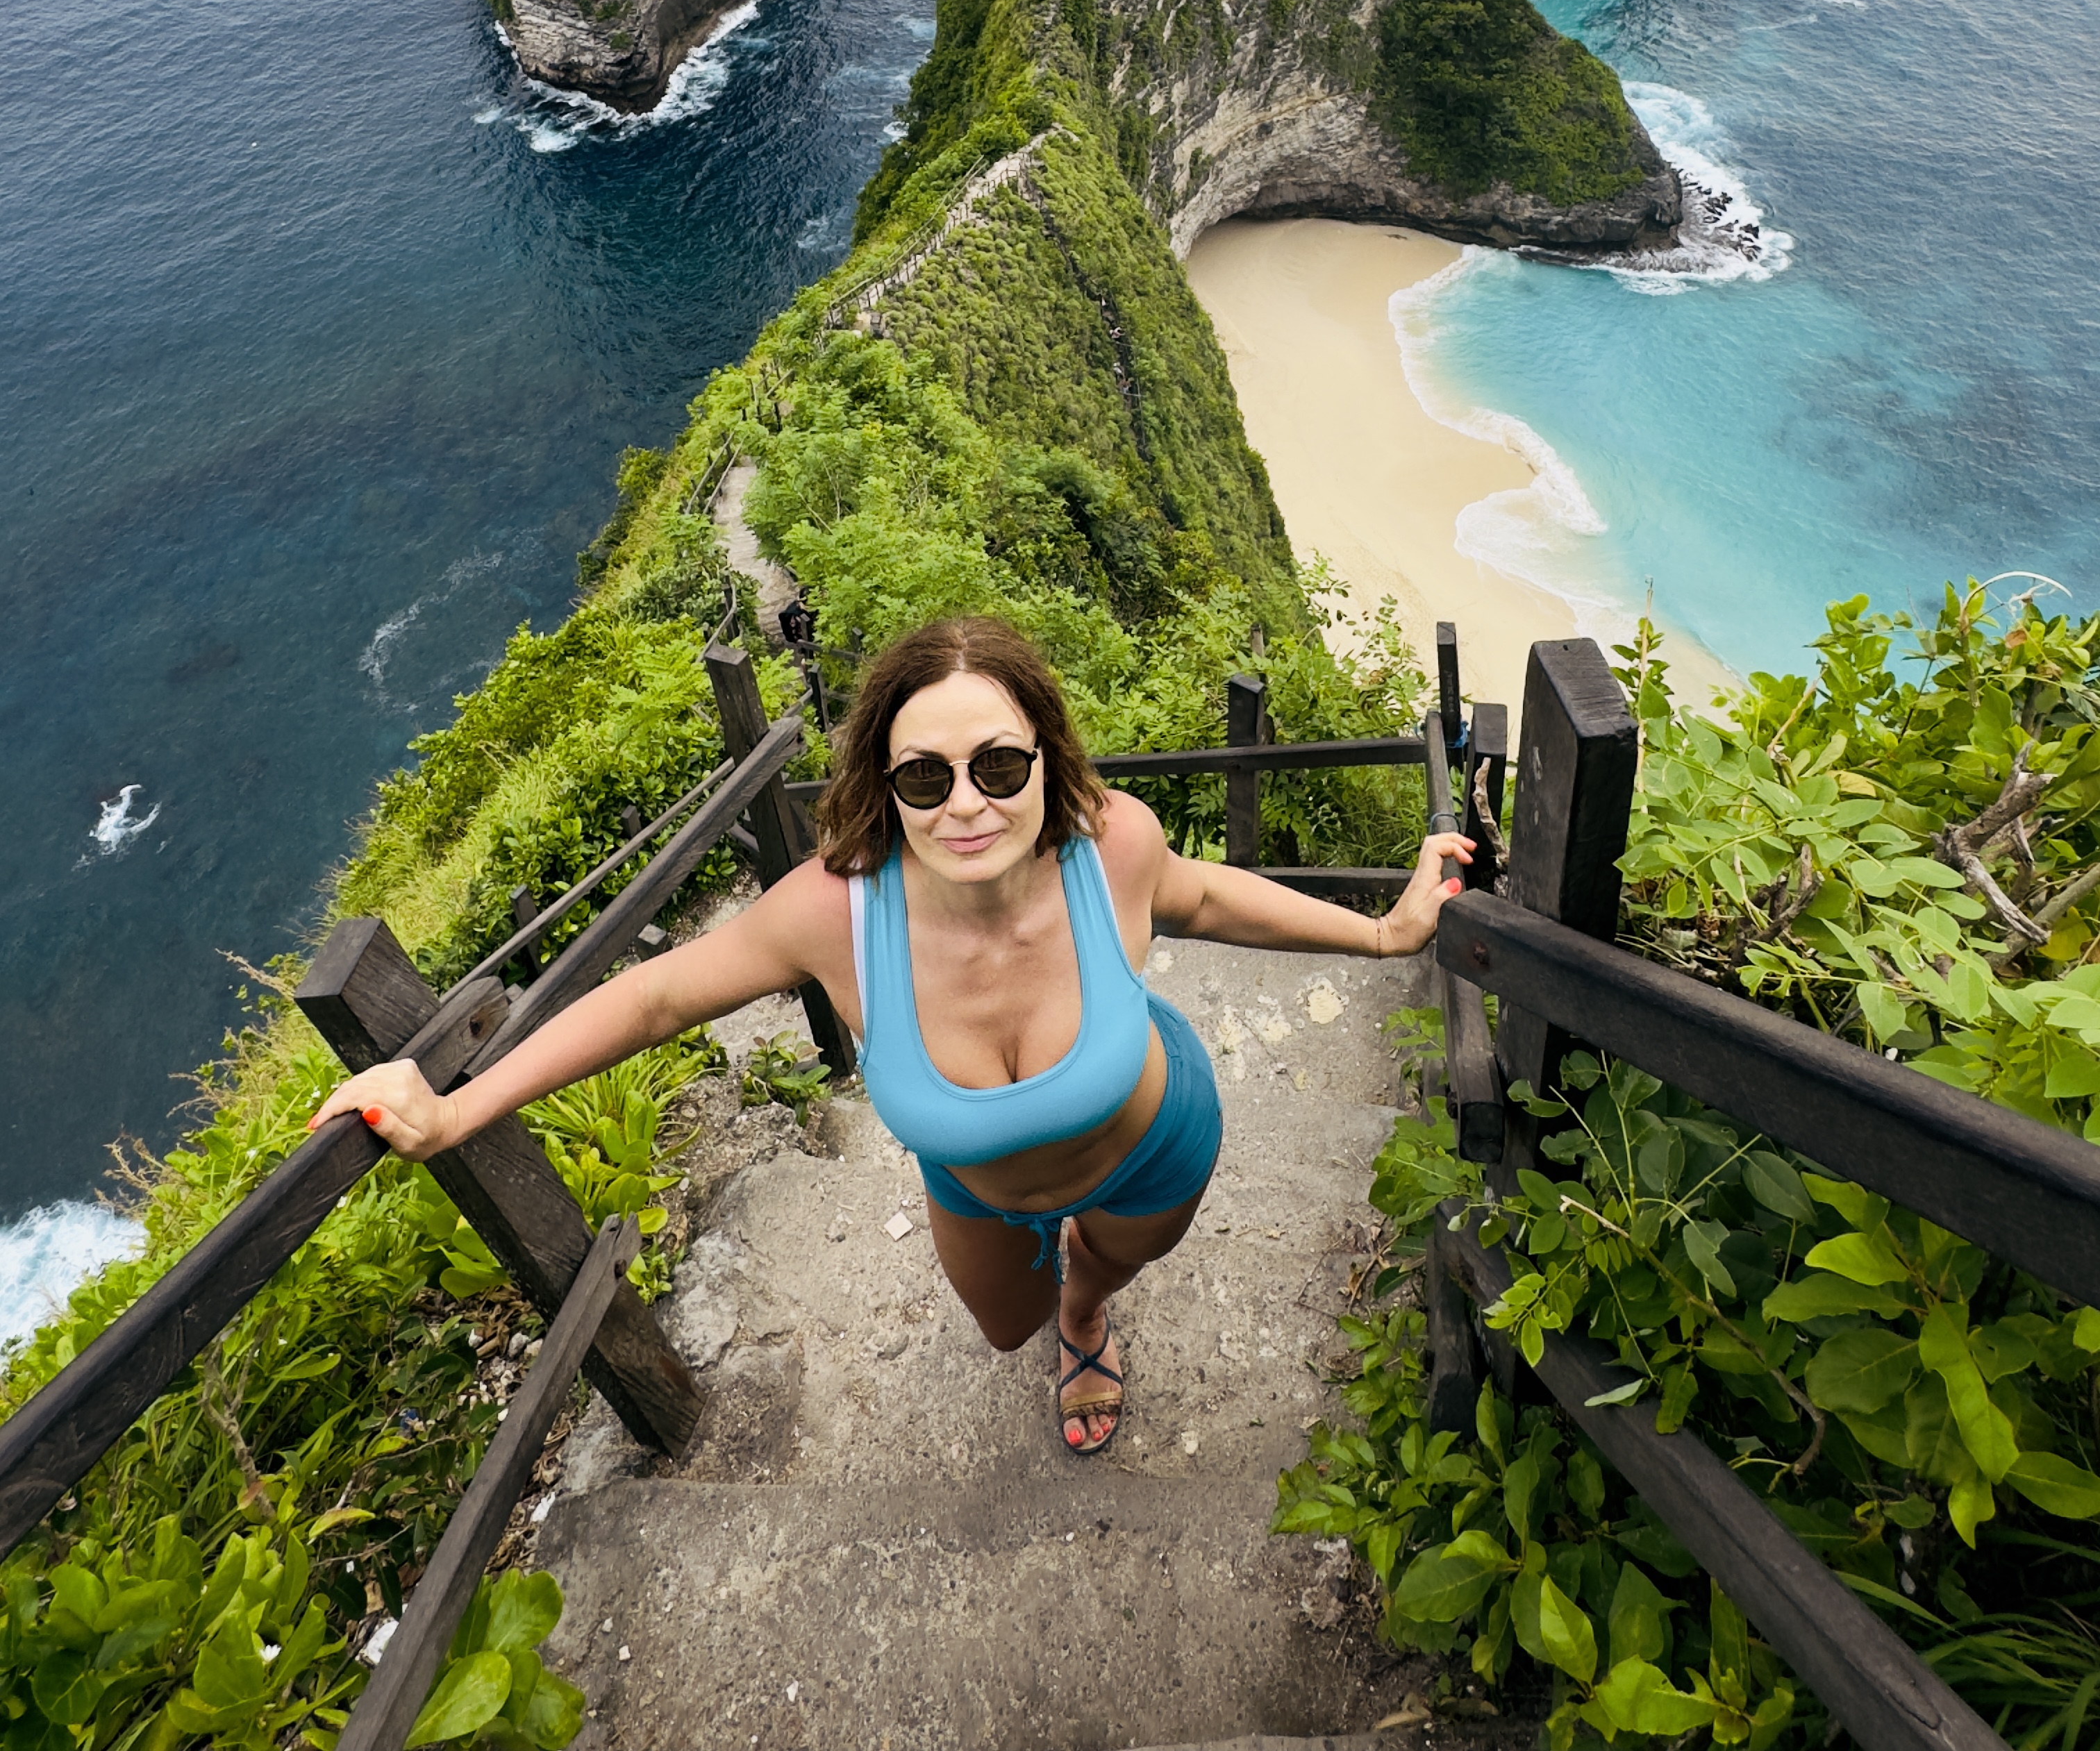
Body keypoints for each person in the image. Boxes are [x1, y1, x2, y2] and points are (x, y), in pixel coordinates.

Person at [310, 614, 1474, 1456]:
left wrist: (1384, 936)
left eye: (1000, 764)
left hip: (1156, 1141)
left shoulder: (1110, 842)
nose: (967, 803)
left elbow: (1207, 896)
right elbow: (658, 997)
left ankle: (1091, 1312)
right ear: (884, 783)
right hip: (979, 1190)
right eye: (925, 776)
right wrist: (458, 1109)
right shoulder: (835, 913)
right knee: (1003, 1326)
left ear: (1047, 760)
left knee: (1100, 1274)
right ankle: (1058, 1311)